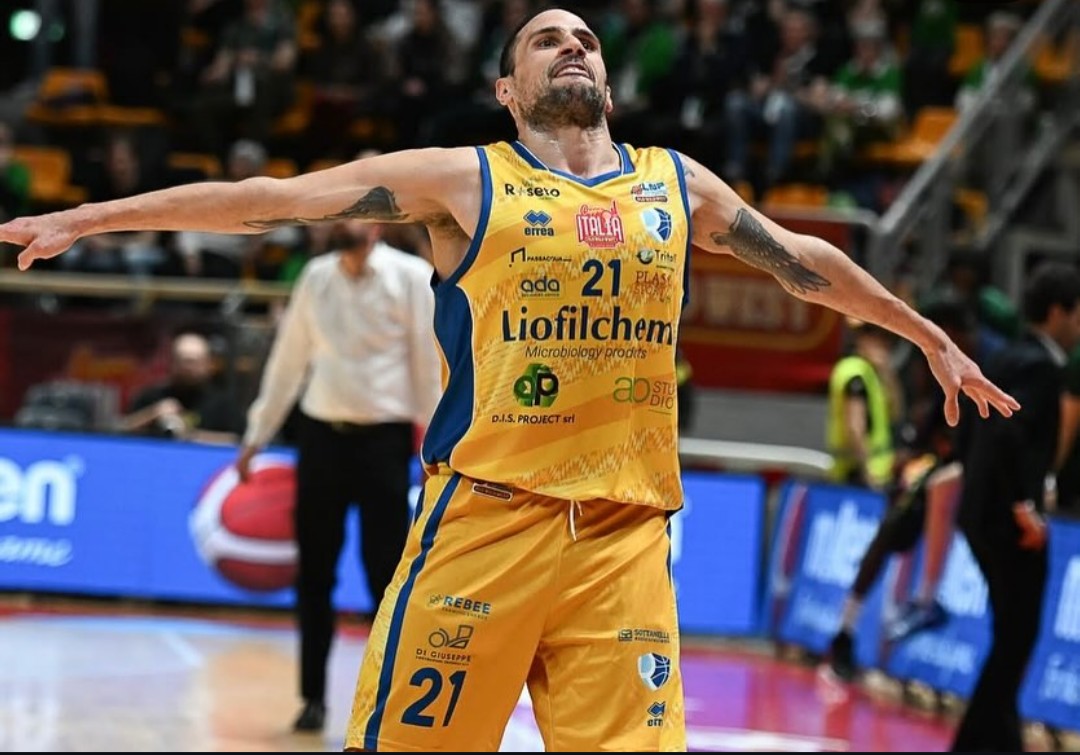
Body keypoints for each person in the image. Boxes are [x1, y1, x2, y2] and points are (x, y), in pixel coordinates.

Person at [0, 8, 1019, 751]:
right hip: (485, 523)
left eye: (586, 39)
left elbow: (806, 262)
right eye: (545, 40)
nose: (572, 45)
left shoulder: (674, 183)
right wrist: (90, 218)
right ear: (507, 90)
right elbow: (271, 198)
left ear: (608, 81)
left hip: (623, 538)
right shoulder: (464, 179)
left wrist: (927, 334)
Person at [235, 219, 441, 733]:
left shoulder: (411, 276)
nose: (341, 224)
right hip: (321, 436)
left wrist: (436, 446)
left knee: (385, 577)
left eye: (352, 216)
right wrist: (257, 433)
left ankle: (386, 704)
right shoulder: (316, 275)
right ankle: (312, 699)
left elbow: (427, 364)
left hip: (384, 440)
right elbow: (288, 360)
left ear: (375, 225)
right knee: (314, 575)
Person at [952, 262, 1080, 752]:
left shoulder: (1002, 356)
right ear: (1058, 312)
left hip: (979, 513)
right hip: (1009, 522)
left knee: (1010, 633)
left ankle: (998, 739)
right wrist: (1024, 505)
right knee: (1017, 637)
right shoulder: (1041, 367)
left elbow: (970, 430)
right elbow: (1007, 434)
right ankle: (975, 742)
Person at [119, 331, 241, 444]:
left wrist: (189, 435)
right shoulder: (151, 396)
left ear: (207, 364)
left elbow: (235, 439)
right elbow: (121, 430)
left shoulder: (222, 404)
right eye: (183, 361)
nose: (188, 368)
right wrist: (152, 414)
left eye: (194, 362)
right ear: (172, 363)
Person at [825, 320, 903, 491]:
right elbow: (855, 428)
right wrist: (867, 472)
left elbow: (896, 412)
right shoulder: (855, 373)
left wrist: (887, 372)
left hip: (876, 473)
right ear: (862, 340)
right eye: (877, 338)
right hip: (856, 474)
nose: (884, 345)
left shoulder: (873, 372)